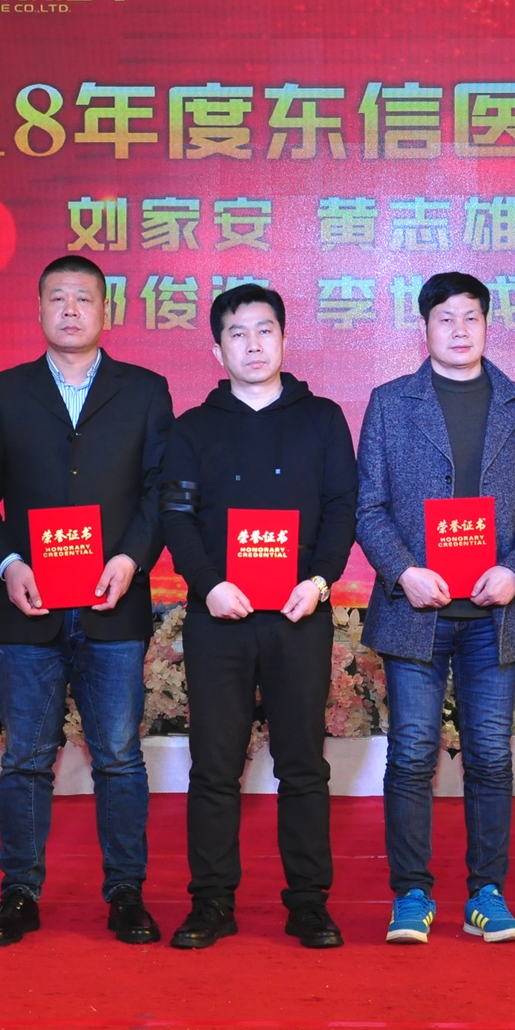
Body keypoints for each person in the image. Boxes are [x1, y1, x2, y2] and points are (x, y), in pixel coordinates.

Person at [0, 255, 174, 947]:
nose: (70, 309)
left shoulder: (145, 391)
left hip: (114, 602)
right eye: (56, 297)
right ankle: (19, 893)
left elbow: (159, 491)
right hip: (28, 605)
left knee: (118, 755)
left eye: (83, 298)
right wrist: (7, 564)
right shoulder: (3, 392)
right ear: (38, 310)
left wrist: (131, 557)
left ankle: (126, 893)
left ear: (105, 311)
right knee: (26, 758)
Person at [356, 272, 515, 945]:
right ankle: (411, 893)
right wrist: (404, 572)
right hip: (416, 611)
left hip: (493, 613)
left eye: (471, 316)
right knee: (412, 754)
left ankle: (486, 893)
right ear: (424, 326)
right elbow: (369, 507)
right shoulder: (391, 403)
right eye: (445, 318)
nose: (459, 329)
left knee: (491, 757)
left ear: (487, 324)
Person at [158, 285, 358, 950]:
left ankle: (308, 903)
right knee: (215, 765)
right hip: (219, 617)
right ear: (217, 348)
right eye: (237, 333)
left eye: (264, 330)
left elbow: (342, 506)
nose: (252, 344)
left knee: (303, 763)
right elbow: (176, 514)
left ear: (284, 339)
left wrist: (320, 580)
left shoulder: (322, 419)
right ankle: (212, 900)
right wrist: (209, 584)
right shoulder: (192, 427)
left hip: (299, 614)